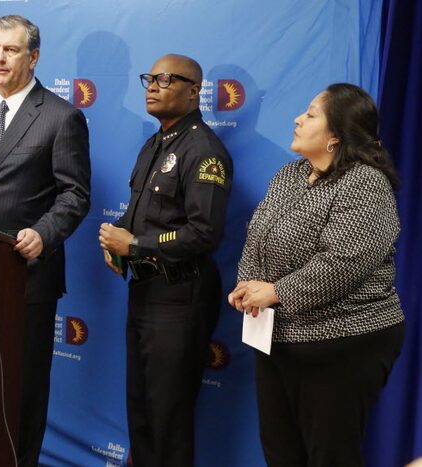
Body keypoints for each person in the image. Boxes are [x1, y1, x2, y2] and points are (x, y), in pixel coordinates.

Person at [227, 83, 404, 466]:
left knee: (330, 456)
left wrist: (275, 292)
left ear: (335, 135)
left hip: (344, 341)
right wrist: (248, 285)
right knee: (280, 452)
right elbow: (258, 235)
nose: (297, 119)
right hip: (277, 339)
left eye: (310, 114)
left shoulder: (365, 182)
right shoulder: (290, 175)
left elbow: (344, 260)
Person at [0, 15, 91, 466]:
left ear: (33, 57)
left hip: (23, 276)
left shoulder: (61, 116)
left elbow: (76, 193)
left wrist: (44, 233)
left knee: (21, 388)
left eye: (10, 50)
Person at [98, 54, 232, 466]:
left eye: (166, 79)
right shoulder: (155, 143)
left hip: (180, 296)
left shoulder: (205, 151)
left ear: (194, 91)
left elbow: (203, 232)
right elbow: (141, 211)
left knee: (167, 417)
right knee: (140, 411)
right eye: (150, 79)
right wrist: (115, 239)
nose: (152, 86)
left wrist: (135, 245)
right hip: (145, 290)